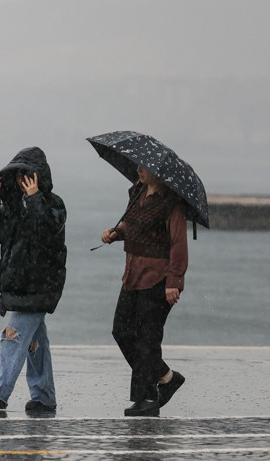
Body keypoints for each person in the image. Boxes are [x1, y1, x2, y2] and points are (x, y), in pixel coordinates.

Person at [0, 147, 66, 414]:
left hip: (40, 283)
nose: (21, 181)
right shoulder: (12, 207)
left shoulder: (54, 204)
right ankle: (44, 396)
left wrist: (35, 197)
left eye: (27, 175)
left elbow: (47, 230)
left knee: (12, 335)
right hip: (17, 283)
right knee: (36, 344)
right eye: (17, 176)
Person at [100, 164, 188, 417]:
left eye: (145, 167)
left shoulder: (172, 203)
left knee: (148, 338)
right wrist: (116, 233)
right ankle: (166, 378)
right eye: (138, 165)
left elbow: (178, 244)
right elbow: (133, 225)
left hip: (159, 279)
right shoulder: (137, 192)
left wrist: (174, 281)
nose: (139, 170)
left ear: (159, 172)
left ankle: (146, 399)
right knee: (122, 331)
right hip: (132, 274)